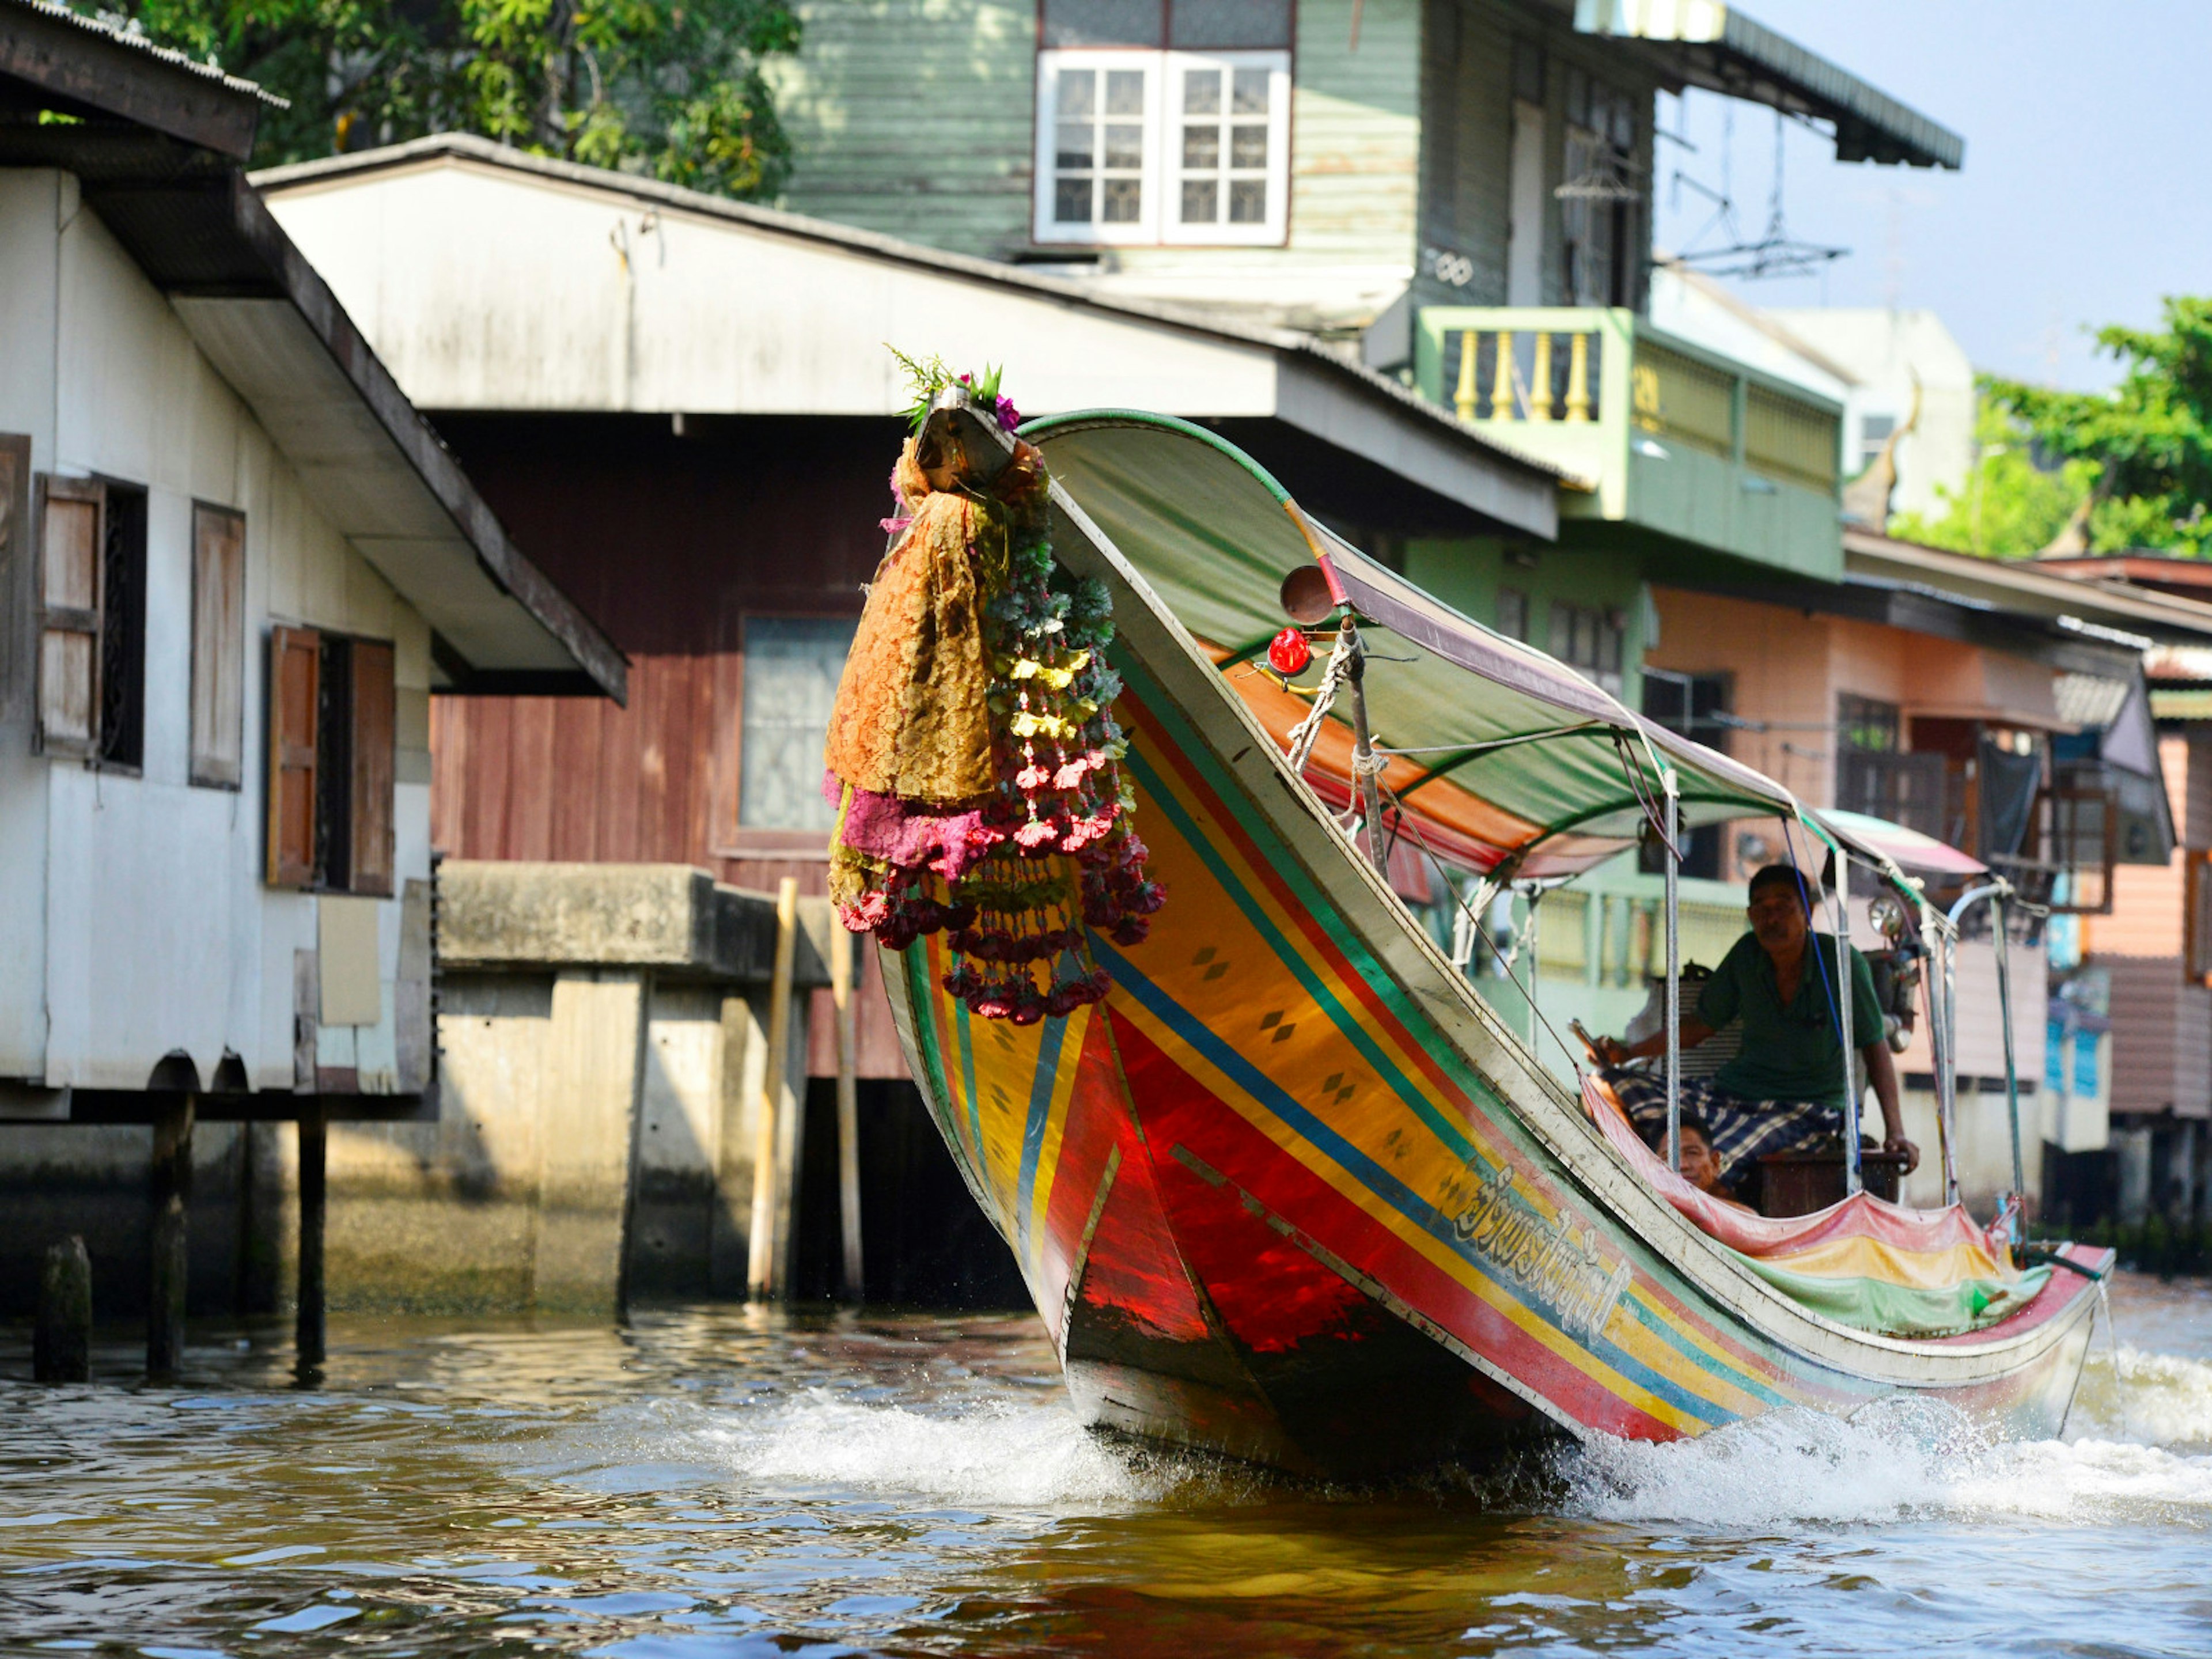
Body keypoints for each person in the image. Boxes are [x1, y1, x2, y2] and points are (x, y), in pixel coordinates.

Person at [1594, 863, 1919, 1197]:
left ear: (1807, 911)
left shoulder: (1842, 962)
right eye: (1762, 910)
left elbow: (1875, 1047)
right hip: (1732, 1094)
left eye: (1783, 907)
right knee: (1604, 1087)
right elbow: (1701, 1025)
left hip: (1808, 1110)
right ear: (1751, 915)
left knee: (1710, 1165)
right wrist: (1627, 1054)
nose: (1772, 919)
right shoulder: (1747, 954)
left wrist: (1896, 1130)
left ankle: (1724, 1228)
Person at [1651, 1114, 1752, 1211]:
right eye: (1669, 1157)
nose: (1682, 1165)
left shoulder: (1740, 1217)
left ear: (1715, 1163)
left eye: (1692, 1153)